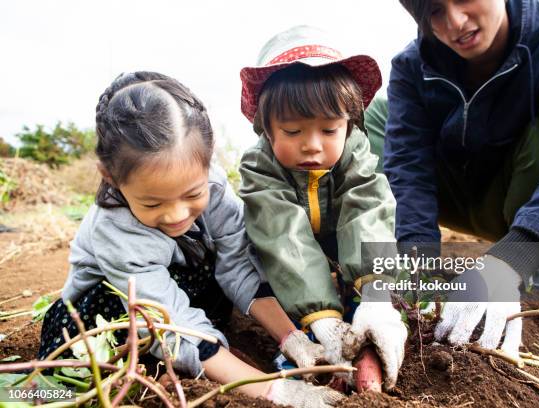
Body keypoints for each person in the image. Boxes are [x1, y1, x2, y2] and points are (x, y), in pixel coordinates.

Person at [37, 71, 344, 408]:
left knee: (231, 257)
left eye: (191, 194)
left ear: (208, 159)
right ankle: (195, 362)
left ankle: (210, 357)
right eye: (153, 203)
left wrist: (293, 339)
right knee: (132, 313)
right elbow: (171, 326)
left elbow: (239, 265)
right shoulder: (114, 231)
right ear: (111, 178)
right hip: (108, 321)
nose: (176, 214)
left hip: (181, 297)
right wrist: (274, 391)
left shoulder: (212, 186)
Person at [380, 0, 539, 357]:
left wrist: (511, 260)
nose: (455, 23)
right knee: (370, 120)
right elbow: (408, 165)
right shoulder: (413, 66)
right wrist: (418, 264)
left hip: (523, 203)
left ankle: (526, 268)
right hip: (455, 193)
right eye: (435, 12)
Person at [238, 26, 407, 391]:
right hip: (282, 273)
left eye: (329, 130)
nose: (312, 146)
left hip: (341, 258)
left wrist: (376, 293)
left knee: (367, 309)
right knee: (308, 324)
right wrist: (321, 318)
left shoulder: (354, 152)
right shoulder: (259, 167)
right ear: (267, 129)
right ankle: (303, 358)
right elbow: (284, 239)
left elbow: (366, 211)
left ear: (349, 123)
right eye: (293, 132)